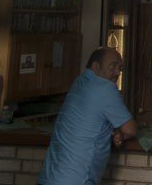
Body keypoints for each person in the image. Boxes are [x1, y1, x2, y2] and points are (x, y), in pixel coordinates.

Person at [38, 47, 137, 185]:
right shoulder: (105, 88)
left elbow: (92, 121)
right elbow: (130, 130)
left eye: (120, 68)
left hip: (49, 177)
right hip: (76, 179)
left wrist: (115, 131)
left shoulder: (79, 82)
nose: (117, 73)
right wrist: (118, 132)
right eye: (113, 66)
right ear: (95, 66)